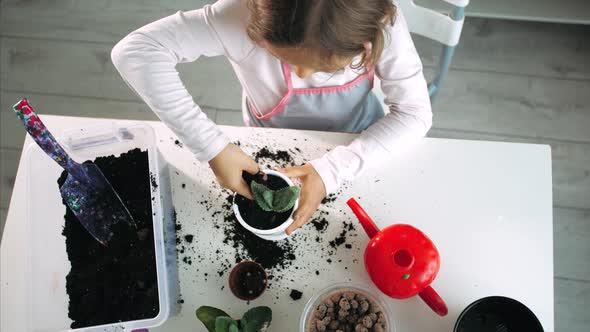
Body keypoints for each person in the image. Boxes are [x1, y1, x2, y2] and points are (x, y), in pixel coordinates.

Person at [111, 0, 432, 236]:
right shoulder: (239, 14)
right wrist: (212, 147)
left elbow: (414, 114)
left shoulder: (382, 24)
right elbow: (135, 52)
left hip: (361, 141)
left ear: (364, 44)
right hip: (269, 138)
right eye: (283, 58)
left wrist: (332, 169)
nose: (303, 75)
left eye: (323, 68)